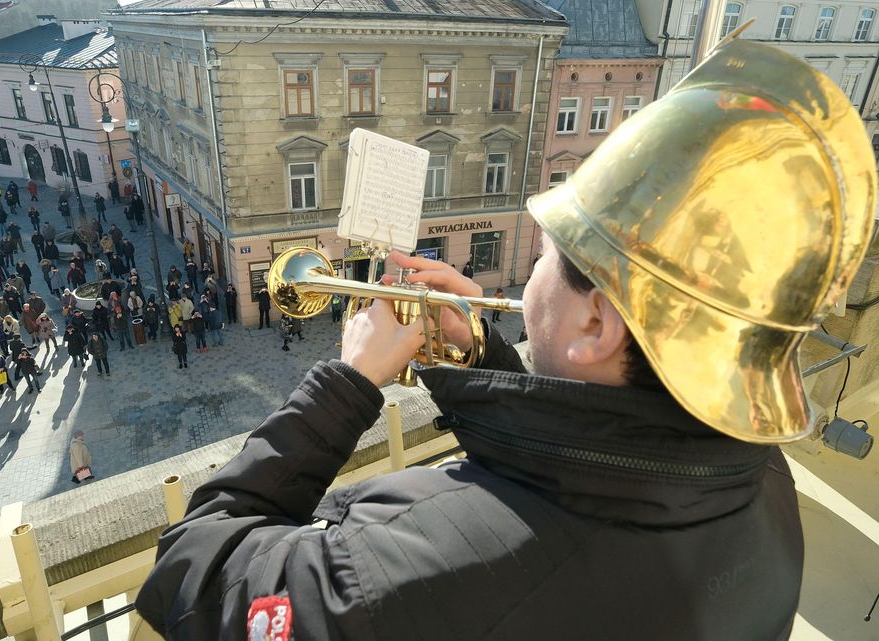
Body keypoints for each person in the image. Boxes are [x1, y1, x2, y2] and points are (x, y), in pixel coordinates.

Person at [135, 41, 852, 641]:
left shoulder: (406, 568)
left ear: (596, 326)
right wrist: (482, 354)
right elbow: (587, 459)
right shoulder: (764, 483)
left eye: (547, 248)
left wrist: (346, 384)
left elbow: (193, 569)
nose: (531, 262)